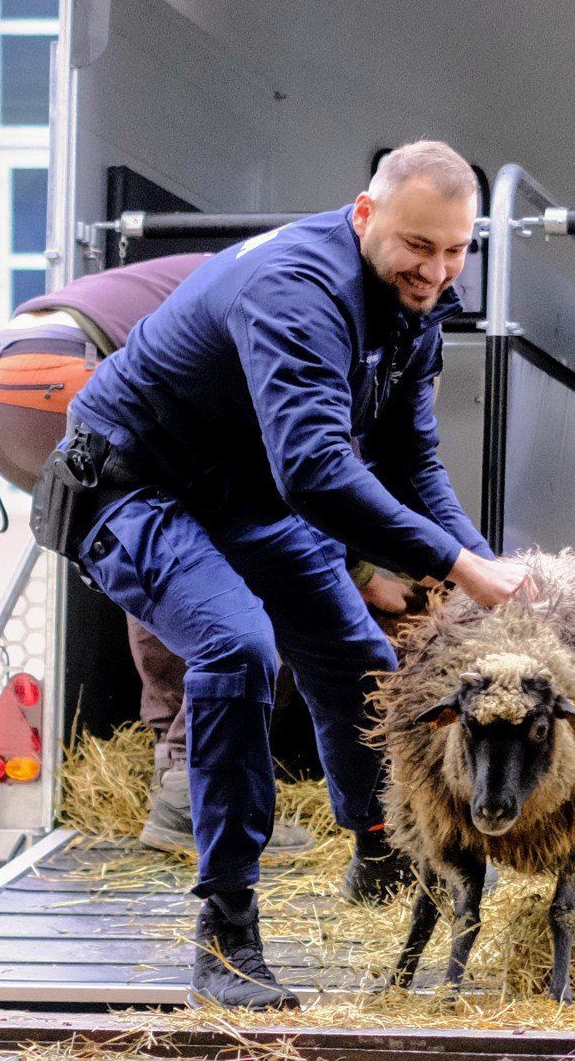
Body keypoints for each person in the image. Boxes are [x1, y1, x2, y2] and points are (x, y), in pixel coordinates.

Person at [38, 140, 530, 1010]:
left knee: (353, 654)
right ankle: (226, 937)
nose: (438, 270)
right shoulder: (300, 289)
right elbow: (315, 471)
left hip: (241, 492)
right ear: (365, 213)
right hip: (130, 482)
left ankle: (381, 847)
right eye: (421, 246)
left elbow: (413, 460)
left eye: (457, 250)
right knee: (237, 648)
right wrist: (451, 562)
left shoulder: (414, 305)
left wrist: (483, 563)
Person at [0, 255, 412, 855]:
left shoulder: (275, 266)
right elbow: (307, 472)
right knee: (254, 572)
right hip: (66, 376)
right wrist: (364, 571)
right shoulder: (320, 309)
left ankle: (178, 772)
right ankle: (191, 789)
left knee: (165, 565)